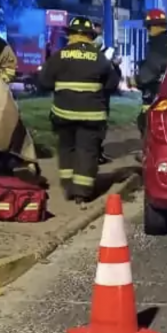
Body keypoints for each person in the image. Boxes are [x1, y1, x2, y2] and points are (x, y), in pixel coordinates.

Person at [39, 16, 120, 203]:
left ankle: (68, 187)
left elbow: (44, 81)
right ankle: (81, 193)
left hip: (63, 114)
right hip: (92, 116)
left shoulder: (59, 56)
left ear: (71, 35)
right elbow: (112, 84)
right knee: (87, 151)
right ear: (90, 37)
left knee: (67, 148)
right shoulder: (100, 58)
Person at [136, 8, 167, 136]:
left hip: (155, 92)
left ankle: (149, 153)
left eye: (149, 27)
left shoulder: (157, 45)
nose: (148, 31)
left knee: (147, 122)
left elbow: (151, 69)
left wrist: (135, 80)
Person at [92, 21, 121, 164]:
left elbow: (115, 72)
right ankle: (94, 153)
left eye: (98, 32)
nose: (96, 35)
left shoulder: (108, 52)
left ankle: (97, 151)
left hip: (103, 93)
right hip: (92, 94)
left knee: (100, 124)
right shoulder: (87, 52)